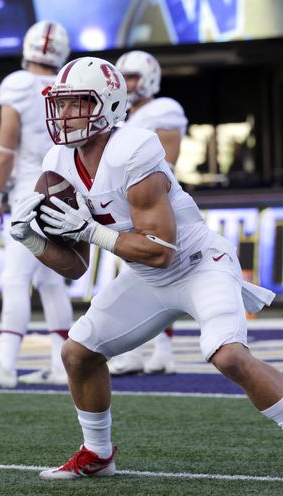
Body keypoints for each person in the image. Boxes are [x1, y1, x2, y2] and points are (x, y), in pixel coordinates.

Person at [8, 56, 283, 483]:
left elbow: (161, 249)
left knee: (229, 356)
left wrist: (91, 231)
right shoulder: (58, 163)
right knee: (78, 353)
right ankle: (98, 452)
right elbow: (74, 267)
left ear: (108, 105)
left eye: (79, 103)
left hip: (199, 265)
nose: (66, 115)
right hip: (147, 277)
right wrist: (33, 242)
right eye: (62, 104)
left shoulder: (135, 147)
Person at [0, 21, 73, 388]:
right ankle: (62, 364)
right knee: (50, 282)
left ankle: (6, 364)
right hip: (63, 192)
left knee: (15, 278)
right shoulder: (66, 85)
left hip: (29, 193)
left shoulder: (18, 84)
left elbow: (6, 148)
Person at [105, 50, 188, 375]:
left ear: (150, 77)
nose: (127, 84)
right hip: (127, 205)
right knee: (144, 280)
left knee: (155, 277)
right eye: (123, 77)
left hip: (156, 204)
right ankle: (148, 351)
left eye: (133, 76)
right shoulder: (120, 115)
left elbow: (167, 161)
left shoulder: (164, 109)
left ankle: (158, 351)